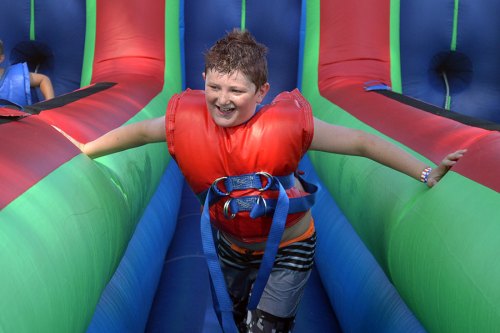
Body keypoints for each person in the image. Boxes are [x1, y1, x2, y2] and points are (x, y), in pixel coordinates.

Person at [57, 29, 466, 333]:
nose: (222, 99)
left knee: (265, 329)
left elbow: (360, 142)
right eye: (213, 86)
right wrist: (85, 148)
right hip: (231, 245)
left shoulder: (288, 125)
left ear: (262, 92)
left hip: (290, 246)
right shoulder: (185, 119)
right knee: (234, 320)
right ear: (203, 80)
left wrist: (425, 170)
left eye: (236, 90)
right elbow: (141, 133)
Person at [0, 39, 54, 106]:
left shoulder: (17, 76)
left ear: (1, 58)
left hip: (21, 114)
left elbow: (43, 79)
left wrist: (51, 106)